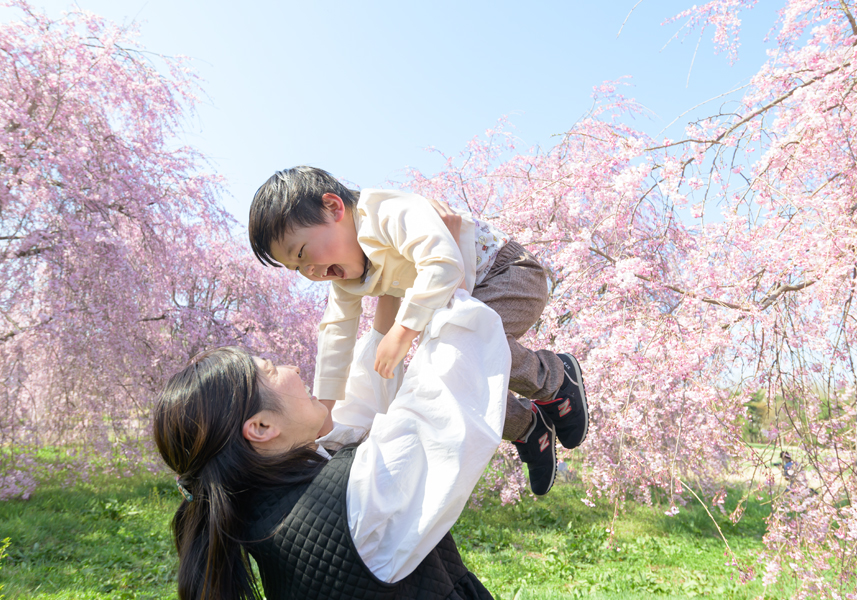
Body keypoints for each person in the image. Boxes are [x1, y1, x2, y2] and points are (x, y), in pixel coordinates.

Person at [248, 166, 589, 495]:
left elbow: (442, 263)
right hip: (461, 300)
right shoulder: (347, 279)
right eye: (297, 268)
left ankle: (556, 378)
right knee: (443, 379)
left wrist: (403, 330)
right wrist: (324, 407)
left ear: (334, 208)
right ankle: (528, 429)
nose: (309, 271)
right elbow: (335, 332)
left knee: (460, 351)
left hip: (506, 274)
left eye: (303, 253)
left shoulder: (385, 213)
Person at [153, 290, 508, 600]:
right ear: (261, 427)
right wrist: (448, 283)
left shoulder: (267, 507)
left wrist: (387, 307)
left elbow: (354, 413)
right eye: (272, 370)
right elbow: (443, 408)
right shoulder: (349, 504)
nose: (291, 367)